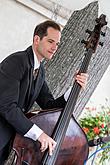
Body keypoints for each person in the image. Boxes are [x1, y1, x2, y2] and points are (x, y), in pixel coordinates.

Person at [0, 20, 88, 164]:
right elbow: (7, 106)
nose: (54, 47)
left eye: (57, 44)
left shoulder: (39, 72)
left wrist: (75, 87)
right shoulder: (17, 61)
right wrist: (39, 134)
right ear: (36, 39)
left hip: (5, 143)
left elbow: (49, 105)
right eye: (51, 41)